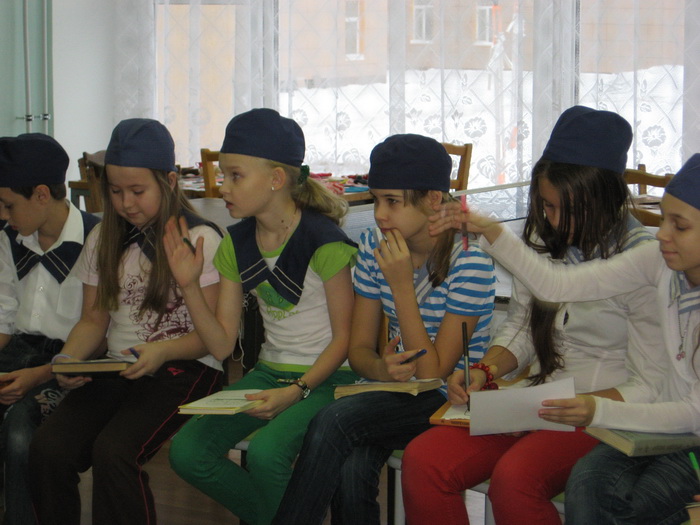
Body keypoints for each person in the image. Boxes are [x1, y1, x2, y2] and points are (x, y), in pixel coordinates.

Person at [401, 106, 665, 525]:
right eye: (546, 206)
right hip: (538, 399)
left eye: (567, 209)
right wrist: (485, 370)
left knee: (516, 479)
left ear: (605, 198)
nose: (555, 222)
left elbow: (651, 384)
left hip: (600, 409)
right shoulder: (544, 235)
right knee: (425, 460)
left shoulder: (644, 260)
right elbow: (523, 326)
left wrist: (577, 405)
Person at [436, 152, 700, 525]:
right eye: (665, 220)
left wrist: (594, 409)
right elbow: (554, 285)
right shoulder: (657, 261)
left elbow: (687, 408)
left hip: (666, 425)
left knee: (614, 501)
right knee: (590, 486)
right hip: (649, 423)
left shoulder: (647, 253)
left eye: (679, 226)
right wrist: (492, 230)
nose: (662, 233)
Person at [272, 133, 495, 525]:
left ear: (433, 200)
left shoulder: (470, 262)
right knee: (351, 464)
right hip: (393, 391)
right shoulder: (376, 244)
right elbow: (359, 350)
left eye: (392, 201)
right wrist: (381, 368)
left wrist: (402, 287)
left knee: (335, 420)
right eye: (376, 200)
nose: (379, 214)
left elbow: (433, 374)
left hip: (450, 398)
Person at [164, 108, 358, 525]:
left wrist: (298, 390)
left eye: (235, 176)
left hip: (330, 379)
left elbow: (345, 339)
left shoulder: (325, 242)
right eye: (223, 175)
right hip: (269, 373)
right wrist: (189, 286)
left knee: (267, 455)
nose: (223, 187)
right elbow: (221, 345)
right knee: (187, 452)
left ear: (276, 179)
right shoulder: (235, 244)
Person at [28, 118, 224, 525]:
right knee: (49, 448)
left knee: (115, 452)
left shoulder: (201, 239)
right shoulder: (103, 238)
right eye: (115, 192)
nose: (126, 203)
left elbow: (209, 339)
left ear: (170, 182)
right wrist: (68, 359)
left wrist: (161, 351)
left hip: (185, 367)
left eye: (137, 191)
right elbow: (93, 320)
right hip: (118, 367)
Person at [0, 134, 100, 525]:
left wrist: (41, 374)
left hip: (71, 366)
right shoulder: (8, 239)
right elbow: (4, 318)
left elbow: (99, 335)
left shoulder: (97, 239)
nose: (3, 214)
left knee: (21, 434)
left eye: (8, 204)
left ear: (42, 194)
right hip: (15, 354)